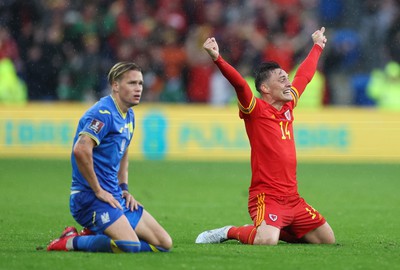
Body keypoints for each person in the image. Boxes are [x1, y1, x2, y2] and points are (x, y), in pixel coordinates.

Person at [195, 27, 335, 245]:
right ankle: (229, 231)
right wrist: (217, 59)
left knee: (326, 239)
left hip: (293, 198)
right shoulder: (255, 110)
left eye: (287, 78)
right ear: (265, 88)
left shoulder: (288, 105)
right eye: (281, 79)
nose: (288, 83)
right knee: (266, 241)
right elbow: (240, 84)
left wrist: (317, 45)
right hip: (267, 197)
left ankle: (277, 228)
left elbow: (305, 76)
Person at [47, 62, 173, 253]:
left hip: (114, 197)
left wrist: (124, 189)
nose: (138, 88)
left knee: (164, 244)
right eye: (132, 83)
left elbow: (123, 153)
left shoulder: (129, 115)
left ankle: (95, 234)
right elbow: (81, 149)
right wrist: (97, 189)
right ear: (115, 85)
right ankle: (70, 241)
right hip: (89, 198)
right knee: (129, 245)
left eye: (140, 83)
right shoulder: (103, 113)